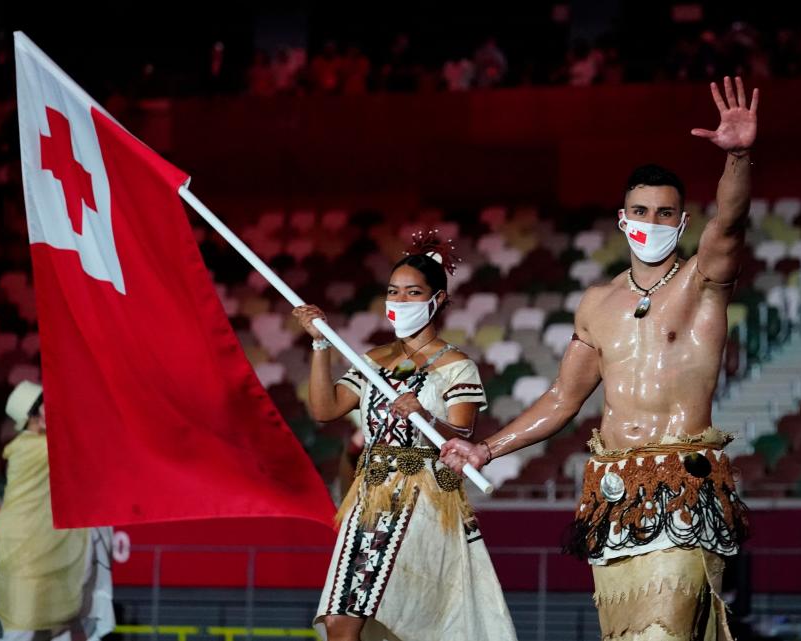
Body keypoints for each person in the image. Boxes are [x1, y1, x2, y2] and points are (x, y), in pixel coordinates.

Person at [441, 77, 759, 641]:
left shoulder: (703, 281)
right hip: (613, 495)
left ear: (683, 224)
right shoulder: (596, 304)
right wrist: (486, 447)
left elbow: (730, 223)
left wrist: (737, 157)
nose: (652, 223)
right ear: (621, 218)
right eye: (641, 210)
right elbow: (564, 398)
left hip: (683, 488)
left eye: (666, 214)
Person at [295, 232, 516, 641]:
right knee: (340, 622)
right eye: (393, 292)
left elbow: (462, 434)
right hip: (368, 498)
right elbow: (324, 410)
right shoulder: (373, 359)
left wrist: (425, 413)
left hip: (425, 500)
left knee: (408, 620)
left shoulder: (457, 365)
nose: (400, 301)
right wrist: (321, 342)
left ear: (439, 301)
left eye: (413, 292)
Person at [0, 380, 115, 641]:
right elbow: (81, 442)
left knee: (60, 627)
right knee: (21, 630)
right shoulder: (31, 448)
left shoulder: (45, 444)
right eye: (45, 406)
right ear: (32, 416)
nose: (52, 410)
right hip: (26, 550)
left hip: (52, 545)